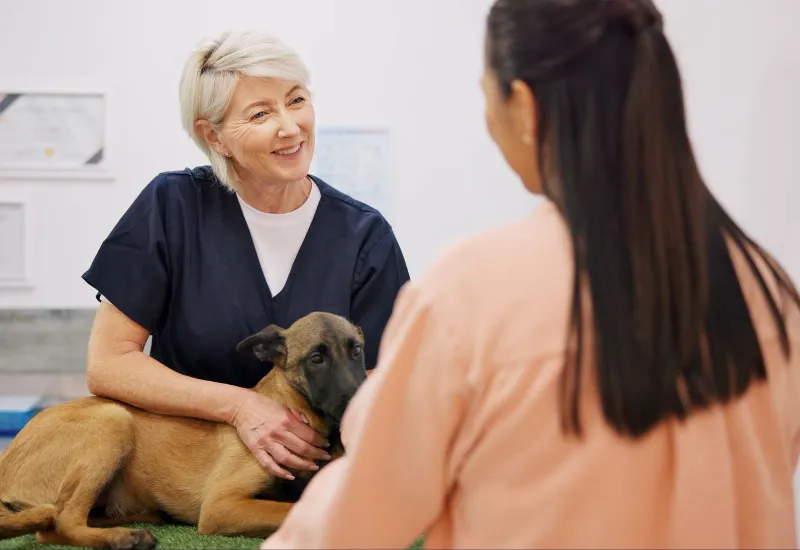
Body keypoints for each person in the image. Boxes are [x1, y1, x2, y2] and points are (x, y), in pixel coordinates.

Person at [260, 0, 800, 548]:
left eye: (485, 91)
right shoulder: (767, 290)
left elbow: (354, 522)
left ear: (523, 106)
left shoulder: (471, 293)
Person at [81, 30, 409, 481]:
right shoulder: (173, 206)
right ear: (214, 136)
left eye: (296, 100)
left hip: (310, 474)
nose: (291, 127)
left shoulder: (364, 235)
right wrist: (240, 406)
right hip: (178, 476)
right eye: (260, 113)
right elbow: (108, 364)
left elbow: (377, 382)